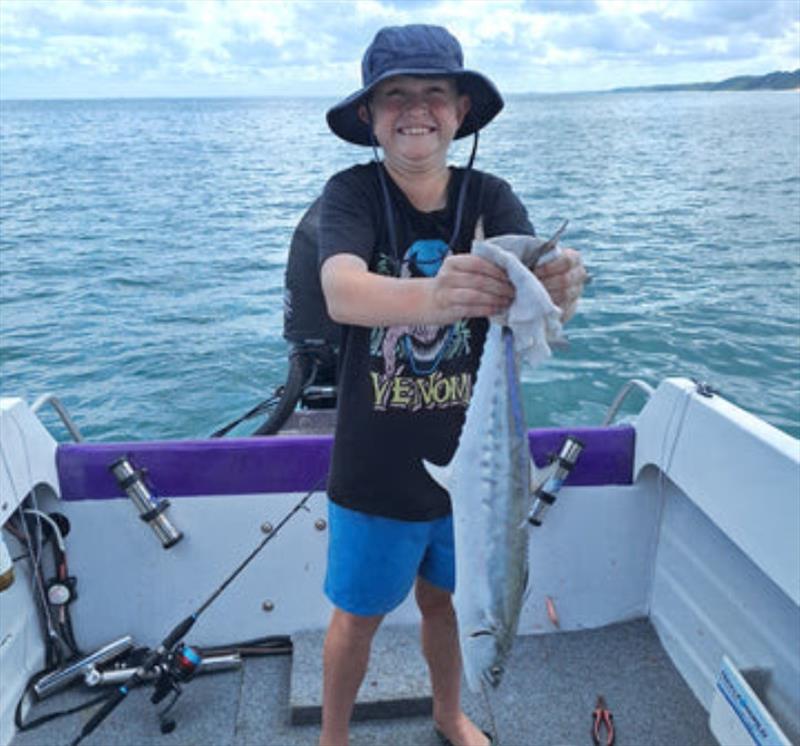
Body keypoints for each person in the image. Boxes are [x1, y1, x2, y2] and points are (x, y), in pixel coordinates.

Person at [317, 24, 587, 746]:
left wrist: (562, 287)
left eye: (433, 92)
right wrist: (436, 298)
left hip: (479, 483)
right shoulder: (350, 195)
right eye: (395, 94)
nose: (415, 109)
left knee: (446, 605)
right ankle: (330, 739)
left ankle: (447, 713)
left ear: (460, 110)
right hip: (375, 470)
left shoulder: (490, 196)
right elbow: (342, 291)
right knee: (356, 618)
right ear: (370, 115)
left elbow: (538, 300)